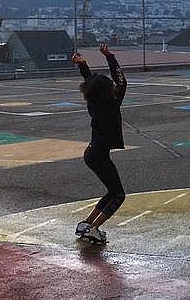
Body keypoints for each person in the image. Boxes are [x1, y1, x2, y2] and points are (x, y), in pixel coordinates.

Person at [71, 43, 127, 245]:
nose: (114, 86)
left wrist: (83, 65)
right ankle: (93, 229)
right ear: (109, 92)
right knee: (119, 195)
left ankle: (86, 223)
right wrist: (110, 57)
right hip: (98, 155)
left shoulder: (94, 101)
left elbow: (90, 82)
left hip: (93, 153)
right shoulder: (111, 104)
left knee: (111, 191)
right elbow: (122, 82)